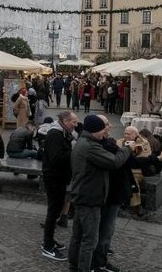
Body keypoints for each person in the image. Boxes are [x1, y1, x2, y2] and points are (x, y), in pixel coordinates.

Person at [68, 115, 133, 272]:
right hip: (90, 197)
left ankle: (74, 264)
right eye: (102, 129)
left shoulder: (82, 142)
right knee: (90, 239)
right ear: (95, 130)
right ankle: (82, 268)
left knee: (78, 235)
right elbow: (113, 161)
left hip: (80, 194)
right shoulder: (91, 146)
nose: (104, 132)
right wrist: (128, 148)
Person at [41, 110, 78, 262]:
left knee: (55, 211)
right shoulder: (55, 134)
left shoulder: (63, 132)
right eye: (74, 122)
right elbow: (55, 158)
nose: (76, 125)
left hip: (60, 177)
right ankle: (48, 246)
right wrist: (73, 152)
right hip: (54, 178)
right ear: (65, 121)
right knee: (53, 211)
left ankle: (49, 240)